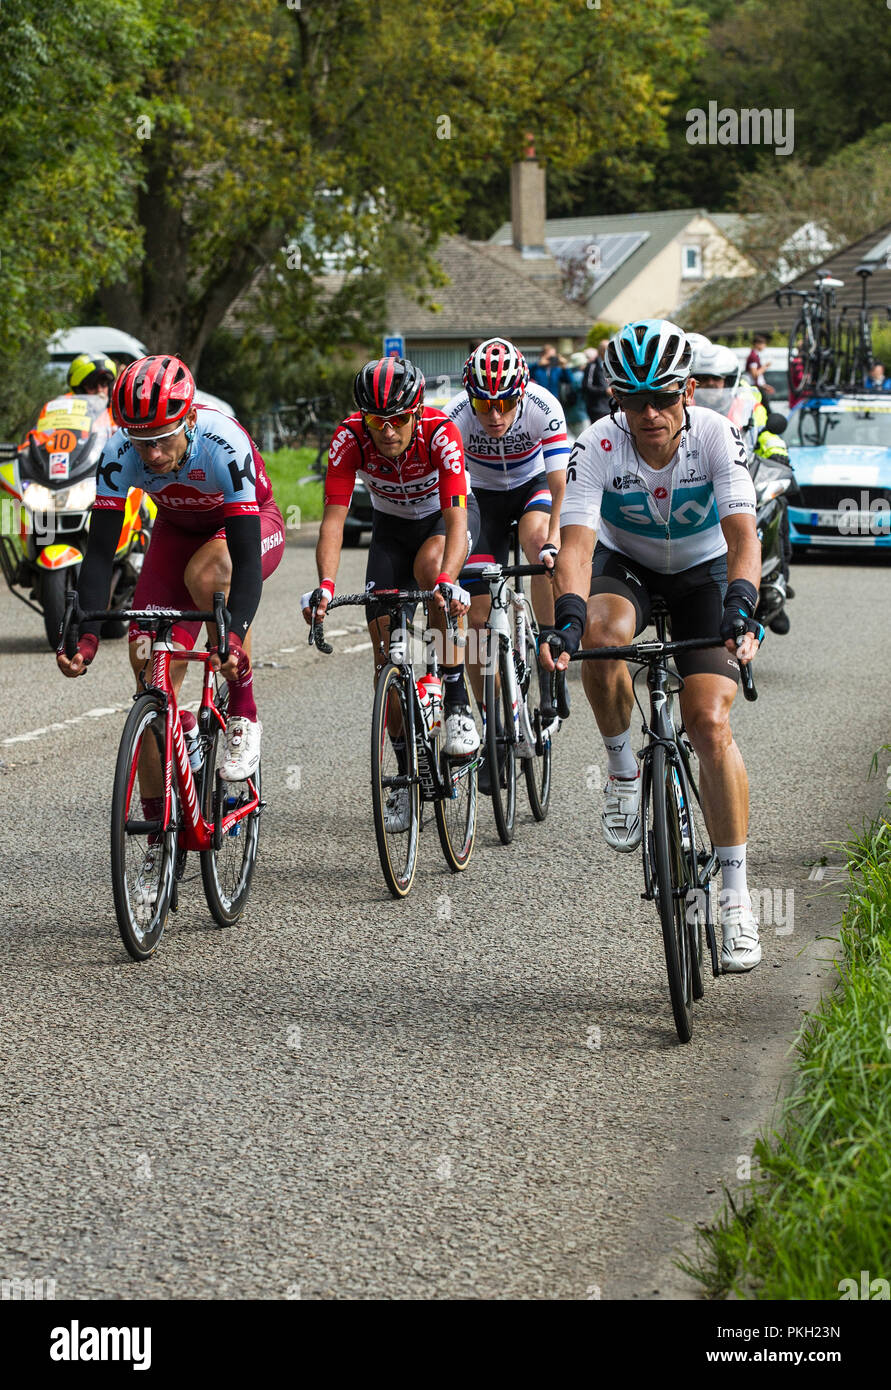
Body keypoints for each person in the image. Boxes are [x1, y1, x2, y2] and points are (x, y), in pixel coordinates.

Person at [540, 319, 765, 973]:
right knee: (602, 637)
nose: (648, 413)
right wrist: (568, 619)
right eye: (633, 400)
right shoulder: (597, 445)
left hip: (706, 574)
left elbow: (743, 539)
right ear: (616, 399)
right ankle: (619, 769)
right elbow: (577, 547)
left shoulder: (717, 437)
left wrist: (740, 607)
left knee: (708, 721)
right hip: (628, 566)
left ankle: (733, 899)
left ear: (687, 392)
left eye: (662, 397)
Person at [57, 354, 284, 789]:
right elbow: (101, 552)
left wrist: (232, 638)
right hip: (176, 531)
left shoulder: (224, 443)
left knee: (209, 573)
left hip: (244, 528)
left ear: (191, 417)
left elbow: (244, 561)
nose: (153, 454)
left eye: (163, 438)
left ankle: (243, 713)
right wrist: (85, 637)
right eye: (142, 442)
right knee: (148, 679)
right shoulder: (118, 452)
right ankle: (157, 835)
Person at [302, 358, 480, 828]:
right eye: (376, 420)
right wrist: (325, 586)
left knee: (432, 574)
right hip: (389, 531)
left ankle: (457, 698)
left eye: (398, 419)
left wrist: (448, 578)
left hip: (442, 525)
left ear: (416, 413)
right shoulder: (349, 438)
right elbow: (333, 524)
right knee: (385, 653)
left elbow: (459, 523)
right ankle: (405, 778)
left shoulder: (441, 432)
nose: (386, 431)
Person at [443, 338, 568, 792]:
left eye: (504, 404)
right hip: (481, 498)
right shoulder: (454, 416)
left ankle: (549, 648)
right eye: (484, 404)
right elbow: (451, 495)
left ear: (521, 393)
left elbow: (559, 484)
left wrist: (555, 541)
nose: (494, 416)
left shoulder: (543, 405)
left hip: (532, 486)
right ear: (469, 396)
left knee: (539, 544)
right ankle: (490, 720)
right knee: (476, 617)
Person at [690, 336, 794, 636]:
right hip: (703, 476)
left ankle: (779, 578)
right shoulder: (686, 400)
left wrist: (778, 454)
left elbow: (762, 431)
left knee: (779, 503)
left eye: (717, 380)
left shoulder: (749, 398)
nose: (711, 385)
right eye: (705, 379)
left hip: (745, 469)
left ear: (730, 380)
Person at [582, 341, 612, 422]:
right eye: (607, 349)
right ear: (601, 351)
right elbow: (586, 386)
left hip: (611, 408)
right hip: (597, 409)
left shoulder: (612, 365)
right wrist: (604, 391)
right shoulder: (592, 366)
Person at [744, 332, 775, 398]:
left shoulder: (754, 356)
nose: (765, 346)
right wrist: (765, 366)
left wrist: (765, 386)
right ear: (757, 344)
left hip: (757, 388)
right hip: (754, 389)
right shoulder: (753, 357)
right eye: (763, 344)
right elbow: (755, 375)